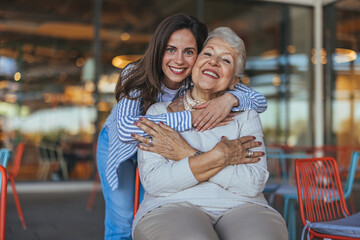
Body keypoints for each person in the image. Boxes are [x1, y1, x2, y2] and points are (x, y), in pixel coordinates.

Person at [97, 13, 268, 240]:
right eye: (171, 49)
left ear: (197, 56)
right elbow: (128, 129)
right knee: (123, 218)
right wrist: (190, 118)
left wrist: (229, 100)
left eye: (188, 52)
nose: (179, 60)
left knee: (146, 208)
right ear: (159, 49)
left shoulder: (194, 78)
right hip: (119, 146)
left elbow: (260, 101)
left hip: (158, 146)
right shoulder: (136, 72)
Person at [132, 27, 288, 240]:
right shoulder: (160, 113)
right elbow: (155, 182)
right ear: (195, 63)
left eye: (226, 60)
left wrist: (188, 153)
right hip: (171, 205)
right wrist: (219, 159)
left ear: (235, 81)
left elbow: (253, 183)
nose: (213, 62)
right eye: (207, 53)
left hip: (244, 206)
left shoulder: (246, 115)